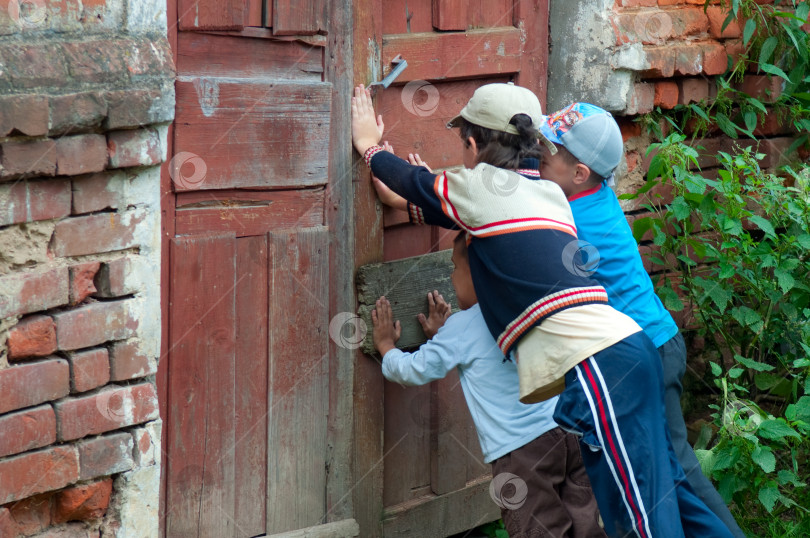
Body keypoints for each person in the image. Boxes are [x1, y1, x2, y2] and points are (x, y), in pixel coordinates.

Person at [351, 81, 733, 537]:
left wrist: (370, 149)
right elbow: (473, 212)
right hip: (628, 348)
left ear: (472, 146)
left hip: (600, 364)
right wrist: (421, 200)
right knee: (642, 495)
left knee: (639, 512)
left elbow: (415, 182)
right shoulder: (548, 195)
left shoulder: (485, 192)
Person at [535, 102, 744, 538]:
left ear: (578, 173)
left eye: (546, 148)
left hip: (646, 350)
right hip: (653, 342)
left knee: (674, 470)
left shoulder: (575, 218)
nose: (537, 153)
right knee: (669, 468)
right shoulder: (592, 191)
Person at [372, 233, 607, 538]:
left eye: (455, 269)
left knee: (537, 528)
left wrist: (387, 347)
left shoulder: (462, 328)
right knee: (585, 524)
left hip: (521, 453)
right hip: (569, 431)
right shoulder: (531, 304)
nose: (452, 279)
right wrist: (443, 336)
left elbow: (412, 370)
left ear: (480, 276)